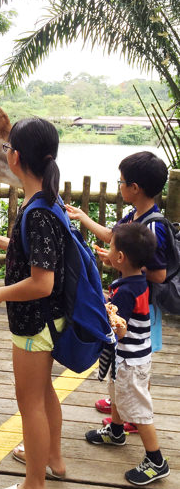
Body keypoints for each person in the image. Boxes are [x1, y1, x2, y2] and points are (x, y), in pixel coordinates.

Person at [0, 117, 67, 489]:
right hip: (47, 321)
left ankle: (34, 486)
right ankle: (53, 461)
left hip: (34, 324)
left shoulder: (38, 212)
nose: (6, 152)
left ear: (16, 158)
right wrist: (5, 242)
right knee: (43, 394)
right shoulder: (46, 201)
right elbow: (41, 256)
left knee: (30, 404)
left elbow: (42, 282)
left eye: (8, 147)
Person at [65, 150, 168, 433]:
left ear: (134, 188)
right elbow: (113, 237)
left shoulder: (154, 225)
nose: (119, 185)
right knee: (125, 356)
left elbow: (158, 273)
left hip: (144, 303)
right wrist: (83, 217)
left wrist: (121, 263)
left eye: (121, 181)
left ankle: (133, 412)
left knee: (138, 358)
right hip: (129, 296)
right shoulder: (133, 215)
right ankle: (119, 403)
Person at [85, 222, 170, 486]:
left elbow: (119, 330)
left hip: (130, 360)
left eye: (111, 248)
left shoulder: (125, 291)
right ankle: (117, 431)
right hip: (133, 356)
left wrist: (103, 313)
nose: (108, 251)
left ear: (120, 258)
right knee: (118, 395)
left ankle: (156, 461)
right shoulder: (136, 281)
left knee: (139, 409)